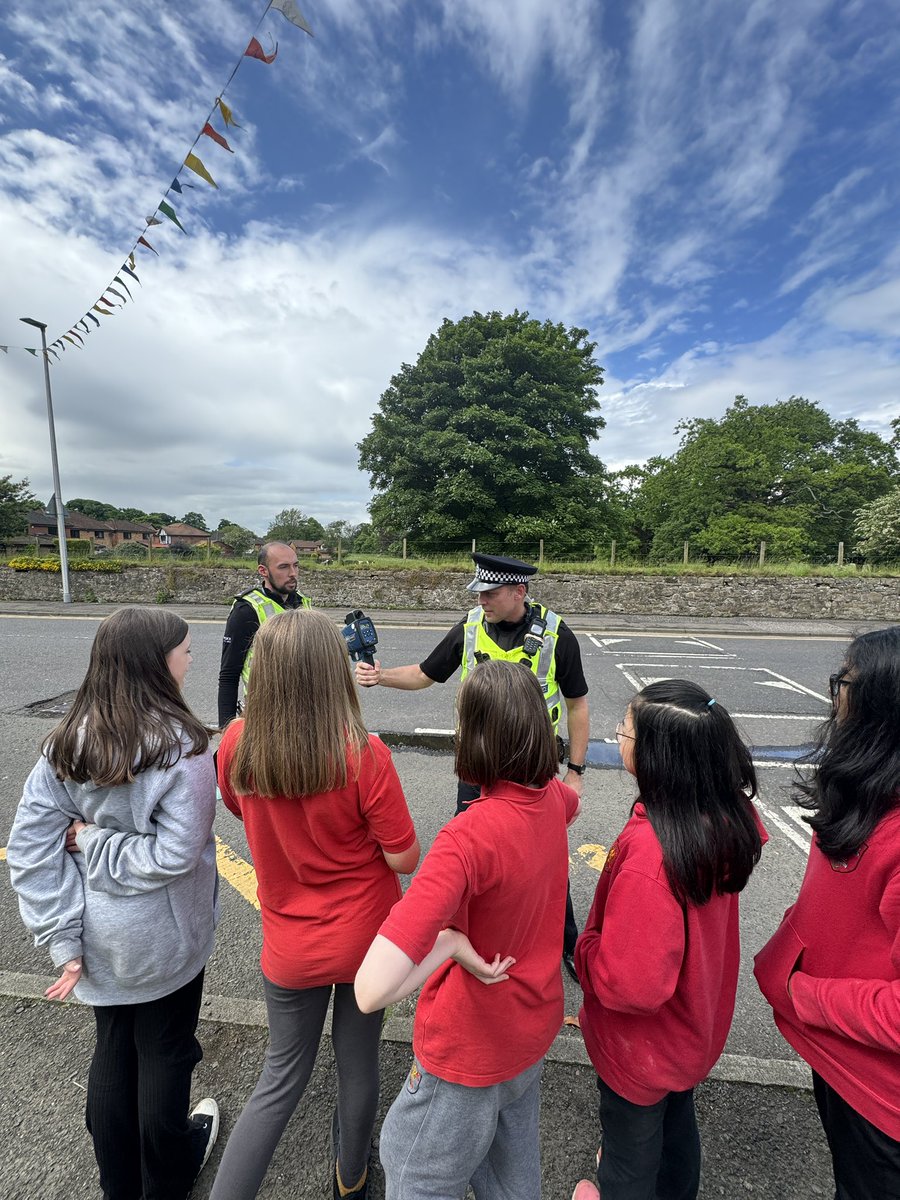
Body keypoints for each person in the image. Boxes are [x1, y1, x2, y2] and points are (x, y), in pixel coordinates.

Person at [7, 607, 220, 1200]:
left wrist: (61, 936)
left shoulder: (67, 742)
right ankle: (169, 1176)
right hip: (167, 939)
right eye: (183, 650)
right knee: (166, 1051)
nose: (190, 658)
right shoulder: (185, 748)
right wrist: (106, 844)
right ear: (157, 664)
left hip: (96, 937)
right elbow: (177, 855)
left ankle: (118, 1186)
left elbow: (29, 847)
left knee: (113, 1049)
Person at [209, 607, 420, 1200]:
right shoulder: (365, 754)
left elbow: (237, 808)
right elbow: (405, 858)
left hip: (290, 946)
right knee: (358, 1065)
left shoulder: (236, 745)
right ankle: (351, 1179)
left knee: (279, 1079)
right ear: (332, 672)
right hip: (365, 943)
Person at [355, 658, 581, 1200]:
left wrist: (452, 943)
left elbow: (370, 990)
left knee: (412, 1170)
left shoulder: (465, 840)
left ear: (476, 734)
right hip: (529, 1032)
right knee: (511, 1180)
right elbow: (571, 800)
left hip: (465, 1050)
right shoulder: (552, 803)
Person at [571, 680, 766, 1200]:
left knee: (630, 1154)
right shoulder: (721, 817)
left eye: (626, 730)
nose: (618, 735)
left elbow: (631, 986)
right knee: (678, 1131)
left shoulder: (651, 857)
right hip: (690, 1031)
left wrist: (584, 951)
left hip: (641, 1049)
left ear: (660, 755)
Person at [355, 551, 588, 973]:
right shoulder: (470, 626)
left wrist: (575, 772)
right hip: (478, 766)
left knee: (546, 855)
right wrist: (381, 676)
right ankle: (464, 935)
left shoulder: (556, 634)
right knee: (471, 853)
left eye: (490, 592)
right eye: (478, 591)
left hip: (533, 767)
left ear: (520, 591)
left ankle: (565, 943)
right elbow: (427, 673)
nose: (481, 599)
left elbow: (577, 706)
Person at [754, 626, 900, 1200]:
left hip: (880, 1099)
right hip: (840, 1055)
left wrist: (808, 995)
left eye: (844, 684)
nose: (833, 697)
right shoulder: (870, 789)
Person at [217, 540, 311, 726]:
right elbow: (229, 674)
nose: (293, 573)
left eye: (295, 565)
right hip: (263, 716)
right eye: (283, 567)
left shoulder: (303, 602)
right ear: (263, 571)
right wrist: (226, 731)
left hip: (304, 712)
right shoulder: (246, 610)